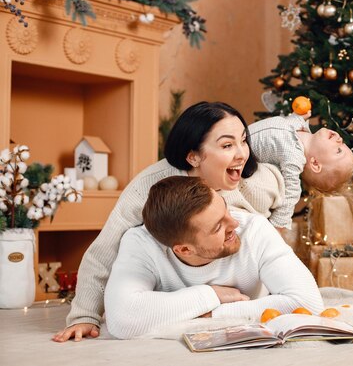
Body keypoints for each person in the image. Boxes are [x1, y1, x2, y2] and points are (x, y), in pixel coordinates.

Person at [53, 101, 260, 342]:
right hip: (165, 309)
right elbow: (104, 252)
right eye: (227, 144)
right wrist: (84, 316)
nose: (242, 153)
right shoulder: (148, 189)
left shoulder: (234, 184)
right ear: (193, 157)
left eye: (243, 140)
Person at [104, 176, 323, 339]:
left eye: (225, 209)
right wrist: (209, 295)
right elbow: (122, 318)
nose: (234, 224)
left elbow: (307, 303)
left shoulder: (253, 229)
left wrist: (211, 314)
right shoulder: (141, 242)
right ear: (184, 250)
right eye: (218, 226)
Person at [248, 113, 353, 229]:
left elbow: (291, 193)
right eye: (344, 143)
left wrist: (278, 226)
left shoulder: (294, 157)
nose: (340, 140)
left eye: (339, 151)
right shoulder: (302, 127)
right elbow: (289, 121)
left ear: (315, 164)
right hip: (237, 135)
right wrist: (299, 115)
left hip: (236, 156)